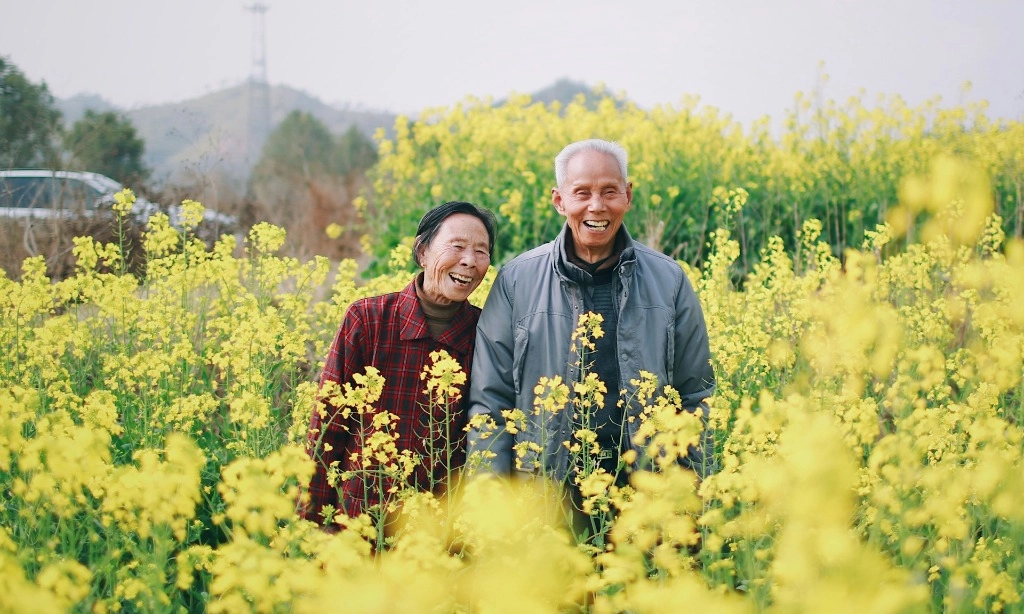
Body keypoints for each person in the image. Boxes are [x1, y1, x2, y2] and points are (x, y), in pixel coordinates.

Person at [466, 139, 715, 510]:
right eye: (581, 192)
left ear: (628, 196)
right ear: (559, 201)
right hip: (547, 495)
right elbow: (491, 402)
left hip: (648, 494)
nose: (596, 206)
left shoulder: (670, 280)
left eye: (610, 192)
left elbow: (696, 395)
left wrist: (695, 496)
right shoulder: (517, 281)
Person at [301, 200, 497, 527]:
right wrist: (309, 525)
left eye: (481, 251)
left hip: (436, 535)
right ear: (422, 252)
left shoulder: (487, 333)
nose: (469, 261)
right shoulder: (367, 320)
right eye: (458, 246)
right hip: (358, 523)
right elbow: (327, 427)